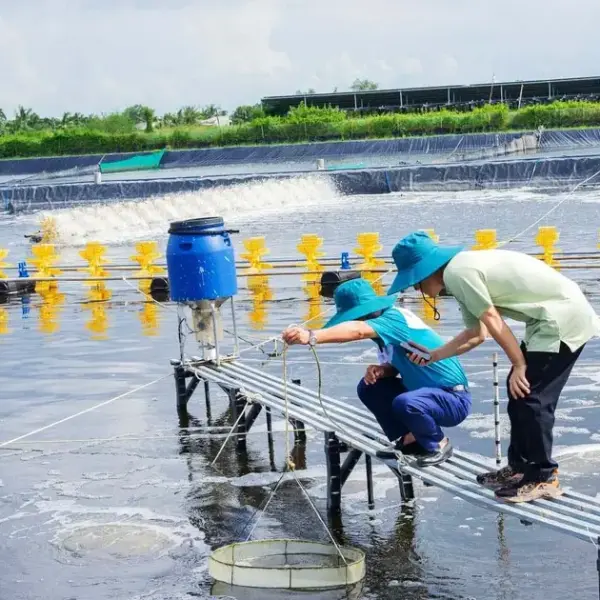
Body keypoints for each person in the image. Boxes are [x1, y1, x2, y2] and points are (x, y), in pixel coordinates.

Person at [387, 230, 600, 503]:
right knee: (519, 394)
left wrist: (519, 363)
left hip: (562, 319)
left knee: (533, 399)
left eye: (414, 281)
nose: (416, 289)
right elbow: (477, 334)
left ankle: (544, 477)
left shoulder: (458, 273)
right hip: (546, 321)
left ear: (427, 270)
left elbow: (492, 317)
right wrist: (435, 355)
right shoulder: (458, 274)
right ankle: (520, 469)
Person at [281, 278, 472, 467]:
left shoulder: (394, 318)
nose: (356, 320)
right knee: (369, 387)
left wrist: (311, 335)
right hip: (427, 397)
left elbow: (358, 331)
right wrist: (382, 370)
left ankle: (438, 444)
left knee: (406, 402)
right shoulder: (384, 335)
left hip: (452, 398)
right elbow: (396, 367)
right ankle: (410, 439)